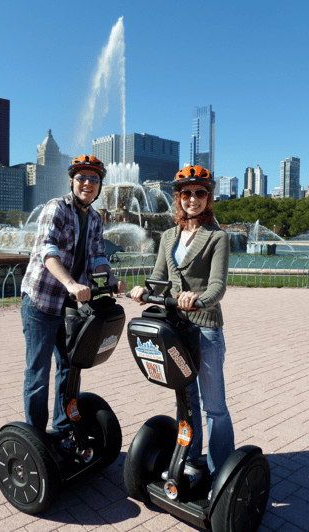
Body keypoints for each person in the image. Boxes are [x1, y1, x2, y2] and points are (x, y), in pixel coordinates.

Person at [131, 165, 235, 492]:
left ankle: (220, 474)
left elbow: (218, 286)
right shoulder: (167, 237)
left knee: (214, 405)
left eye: (200, 193)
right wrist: (142, 290)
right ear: (178, 197)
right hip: (176, 327)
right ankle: (190, 460)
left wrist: (199, 299)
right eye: (187, 193)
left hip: (204, 329)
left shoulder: (217, 237)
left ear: (209, 197)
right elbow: (159, 279)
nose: (193, 199)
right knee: (186, 399)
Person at [21, 154, 126, 434]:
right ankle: (36, 438)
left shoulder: (94, 218)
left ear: (100, 185)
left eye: (94, 179)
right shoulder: (56, 208)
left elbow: (97, 256)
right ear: (72, 181)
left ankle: (62, 428)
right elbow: (47, 250)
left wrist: (110, 278)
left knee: (69, 368)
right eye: (82, 177)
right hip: (41, 303)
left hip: (70, 307)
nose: (88, 183)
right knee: (38, 374)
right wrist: (70, 283)